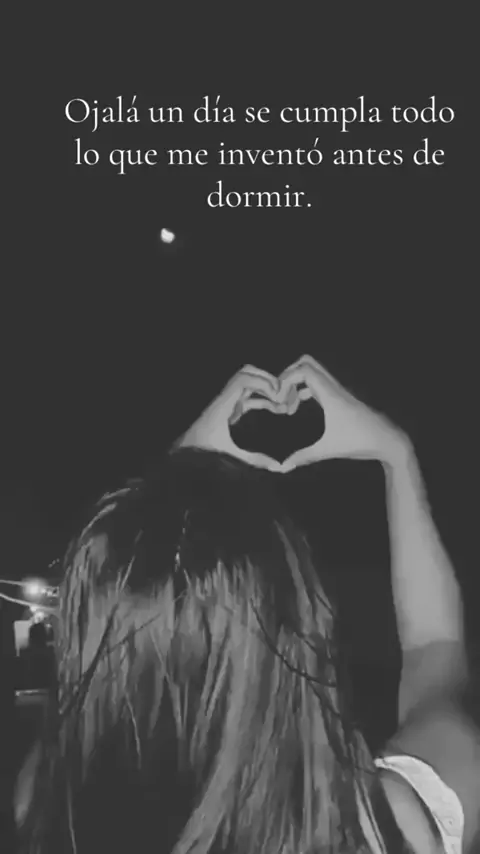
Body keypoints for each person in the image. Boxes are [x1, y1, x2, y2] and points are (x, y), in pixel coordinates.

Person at [15, 357, 480, 853]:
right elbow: (436, 653)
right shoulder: (384, 827)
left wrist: (182, 483)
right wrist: (394, 453)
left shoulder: (44, 805)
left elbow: (106, 665)